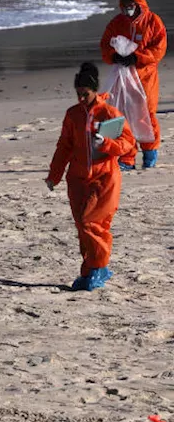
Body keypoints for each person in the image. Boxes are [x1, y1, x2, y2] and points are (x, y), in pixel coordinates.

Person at [46, 63, 136, 292]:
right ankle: (90, 270)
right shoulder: (73, 114)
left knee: (91, 224)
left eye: (85, 93)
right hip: (76, 178)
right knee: (82, 227)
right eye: (78, 94)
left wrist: (106, 143)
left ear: (94, 90)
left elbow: (128, 144)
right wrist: (54, 175)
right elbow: (64, 146)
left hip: (104, 178)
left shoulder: (109, 113)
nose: (81, 98)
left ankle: (98, 268)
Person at [100, 0, 166, 170]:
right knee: (123, 116)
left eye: (131, 4)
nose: (127, 7)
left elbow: (158, 49)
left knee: (146, 115)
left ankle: (150, 153)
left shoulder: (153, 21)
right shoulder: (117, 23)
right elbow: (105, 44)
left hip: (145, 77)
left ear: (138, 4)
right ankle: (127, 158)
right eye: (124, 4)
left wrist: (137, 57)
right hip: (122, 76)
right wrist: (113, 56)